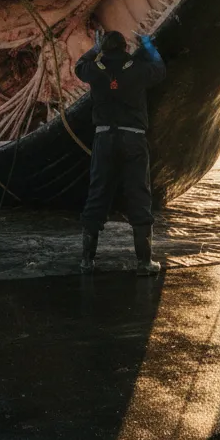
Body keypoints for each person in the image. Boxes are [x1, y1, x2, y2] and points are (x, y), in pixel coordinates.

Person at [75, 29, 167, 275]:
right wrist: (148, 46)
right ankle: (144, 262)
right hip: (133, 138)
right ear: (126, 48)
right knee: (139, 195)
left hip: (104, 137)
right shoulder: (138, 68)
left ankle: (87, 261)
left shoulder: (95, 69)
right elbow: (160, 70)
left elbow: (79, 66)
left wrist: (95, 50)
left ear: (104, 48)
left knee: (97, 194)